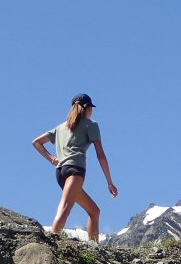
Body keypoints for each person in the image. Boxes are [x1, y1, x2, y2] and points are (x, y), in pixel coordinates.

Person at [32, 93, 118, 243]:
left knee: (94, 211)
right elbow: (101, 155)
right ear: (88, 108)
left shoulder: (60, 127)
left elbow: (37, 142)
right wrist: (109, 182)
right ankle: (51, 242)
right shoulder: (91, 125)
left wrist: (52, 158)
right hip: (75, 171)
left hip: (60, 172)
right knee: (65, 207)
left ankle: (93, 247)